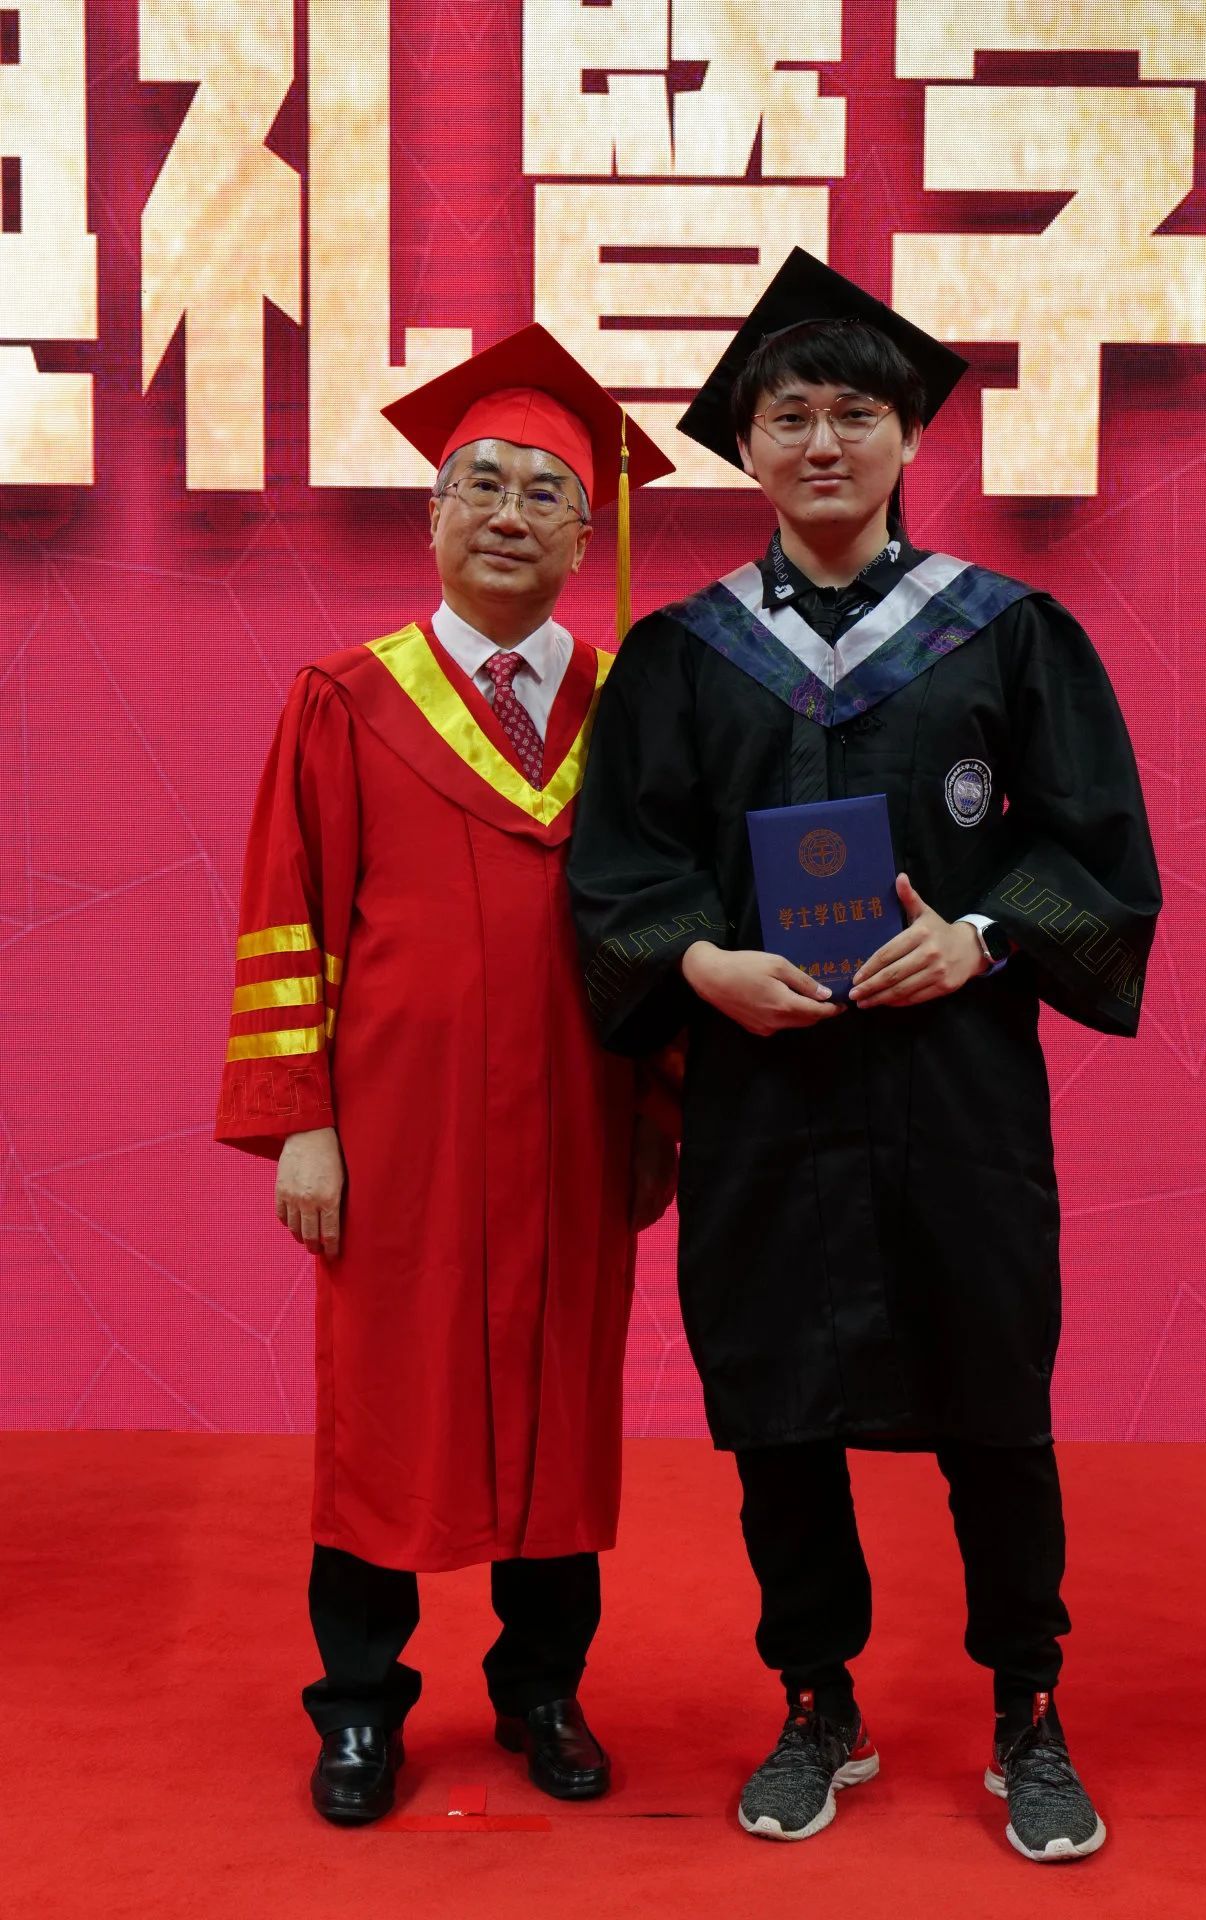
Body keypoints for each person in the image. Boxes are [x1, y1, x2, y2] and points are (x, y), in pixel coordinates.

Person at [567, 250, 1161, 1861]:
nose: (822, 441)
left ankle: (1027, 1704)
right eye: (789, 416)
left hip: (952, 1085)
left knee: (995, 1397)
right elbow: (623, 863)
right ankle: (816, 1697)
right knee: (779, 1403)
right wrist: (699, 960)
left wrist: (981, 937)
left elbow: (1096, 847)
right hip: (763, 1088)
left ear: (907, 435)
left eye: (853, 412)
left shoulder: (1003, 633)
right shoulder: (685, 653)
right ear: (744, 446)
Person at [215, 325, 675, 1825]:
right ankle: (359, 1706)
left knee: (562, 1402)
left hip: (576, 1123)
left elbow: (671, 921)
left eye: (548, 493)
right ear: (431, 512)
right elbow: (287, 916)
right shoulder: (346, 697)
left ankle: (543, 1688)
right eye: (482, 483)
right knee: (385, 1412)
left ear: (586, 536)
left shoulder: (628, 708)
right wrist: (304, 1126)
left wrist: (661, 1111)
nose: (511, 514)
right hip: (399, 1132)